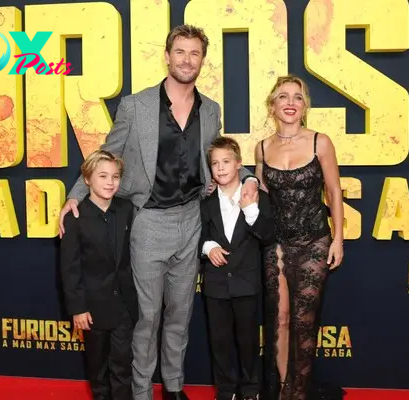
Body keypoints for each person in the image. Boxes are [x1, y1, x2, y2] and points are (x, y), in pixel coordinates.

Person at [58, 25, 259, 400]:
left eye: (194, 53)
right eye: (180, 52)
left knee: (179, 316)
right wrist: (76, 194)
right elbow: (109, 150)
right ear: (167, 56)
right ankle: (140, 392)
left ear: (203, 60)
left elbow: (221, 154)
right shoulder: (136, 106)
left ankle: (174, 386)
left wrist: (246, 176)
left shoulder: (211, 109)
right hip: (148, 221)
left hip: (191, 220)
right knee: (147, 317)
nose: (187, 60)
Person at [254, 75, 344, 400]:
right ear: (272, 105)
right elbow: (261, 199)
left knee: (304, 321)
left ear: (304, 105)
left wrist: (338, 240)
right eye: (283, 97)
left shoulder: (321, 141)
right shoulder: (262, 148)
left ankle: (299, 392)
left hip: (314, 242)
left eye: (297, 97)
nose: (290, 103)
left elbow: (333, 190)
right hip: (276, 244)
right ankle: (281, 389)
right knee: (279, 320)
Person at [198, 137, 275, 400]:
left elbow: (268, 236)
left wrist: (251, 211)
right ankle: (226, 390)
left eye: (226, 162)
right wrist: (208, 247)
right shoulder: (205, 203)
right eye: (215, 163)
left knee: (248, 342)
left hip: (247, 283)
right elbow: (197, 236)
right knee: (219, 343)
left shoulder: (257, 197)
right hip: (216, 286)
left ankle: (251, 390)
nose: (220, 168)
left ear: (239, 164)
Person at [60, 150, 139, 400]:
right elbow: (70, 269)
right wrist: (78, 308)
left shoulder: (126, 209)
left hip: (124, 306)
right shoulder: (75, 218)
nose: (110, 182)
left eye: (115, 176)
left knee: (122, 367)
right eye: (102, 176)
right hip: (92, 310)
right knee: (98, 370)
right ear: (87, 179)